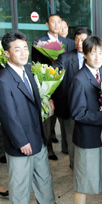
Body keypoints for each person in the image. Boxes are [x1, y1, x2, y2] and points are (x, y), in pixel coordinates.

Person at [0, 31, 55, 203]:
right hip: (21, 144)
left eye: (25, 47)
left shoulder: (29, 70)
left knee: (45, 183)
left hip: (38, 139)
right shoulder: (3, 80)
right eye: (18, 49)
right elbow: (8, 115)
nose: (24, 53)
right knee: (20, 189)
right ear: (7, 53)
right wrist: (21, 141)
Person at [68, 36, 102, 204]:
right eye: (93, 53)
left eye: (101, 53)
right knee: (83, 182)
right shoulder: (79, 79)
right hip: (87, 139)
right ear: (85, 54)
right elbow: (77, 113)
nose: (98, 57)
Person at [31, 14, 75, 161]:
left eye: (59, 22)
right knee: (48, 121)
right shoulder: (39, 42)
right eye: (53, 22)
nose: (56, 25)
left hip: (64, 86)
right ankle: (48, 148)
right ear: (47, 24)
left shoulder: (68, 42)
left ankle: (68, 148)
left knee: (66, 118)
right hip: (48, 86)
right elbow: (36, 65)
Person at [52, 27, 92, 169]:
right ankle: (75, 166)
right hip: (71, 107)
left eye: (83, 39)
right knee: (72, 139)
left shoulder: (96, 57)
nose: (79, 42)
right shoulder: (65, 57)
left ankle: (89, 166)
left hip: (92, 108)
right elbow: (53, 75)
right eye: (77, 39)